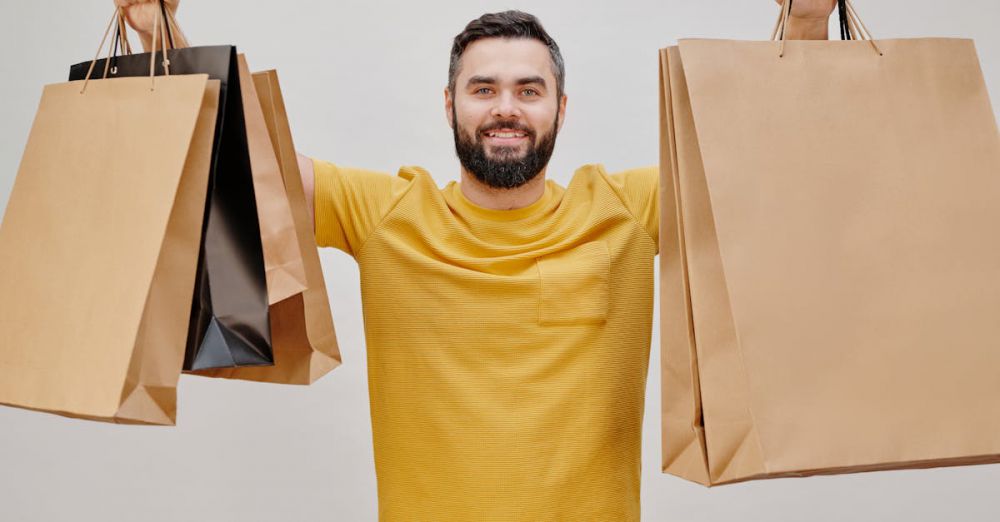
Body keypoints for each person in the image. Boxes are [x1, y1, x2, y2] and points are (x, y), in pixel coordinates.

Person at [118, 1, 836, 519]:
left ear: (561, 108)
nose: (506, 108)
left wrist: (803, 25)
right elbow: (244, 160)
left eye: (529, 90)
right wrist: (162, 32)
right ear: (450, 104)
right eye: (484, 88)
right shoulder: (387, 214)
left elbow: (767, 159)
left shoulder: (626, 209)